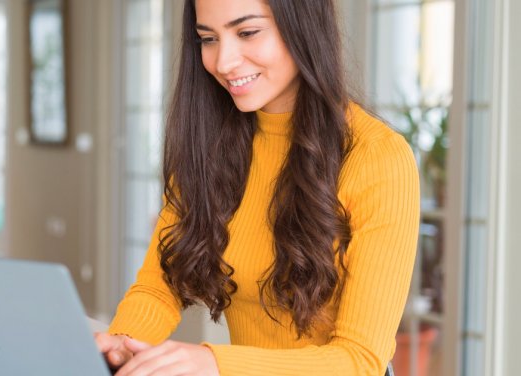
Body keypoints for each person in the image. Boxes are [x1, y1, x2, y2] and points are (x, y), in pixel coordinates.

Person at [96, 0, 419, 375]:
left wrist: (214, 363)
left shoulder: (377, 158)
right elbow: (159, 286)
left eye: (247, 32)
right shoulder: (209, 145)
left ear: (302, 24)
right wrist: (120, 344)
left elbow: (359, 360)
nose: (224, 62)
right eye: (208, 39)